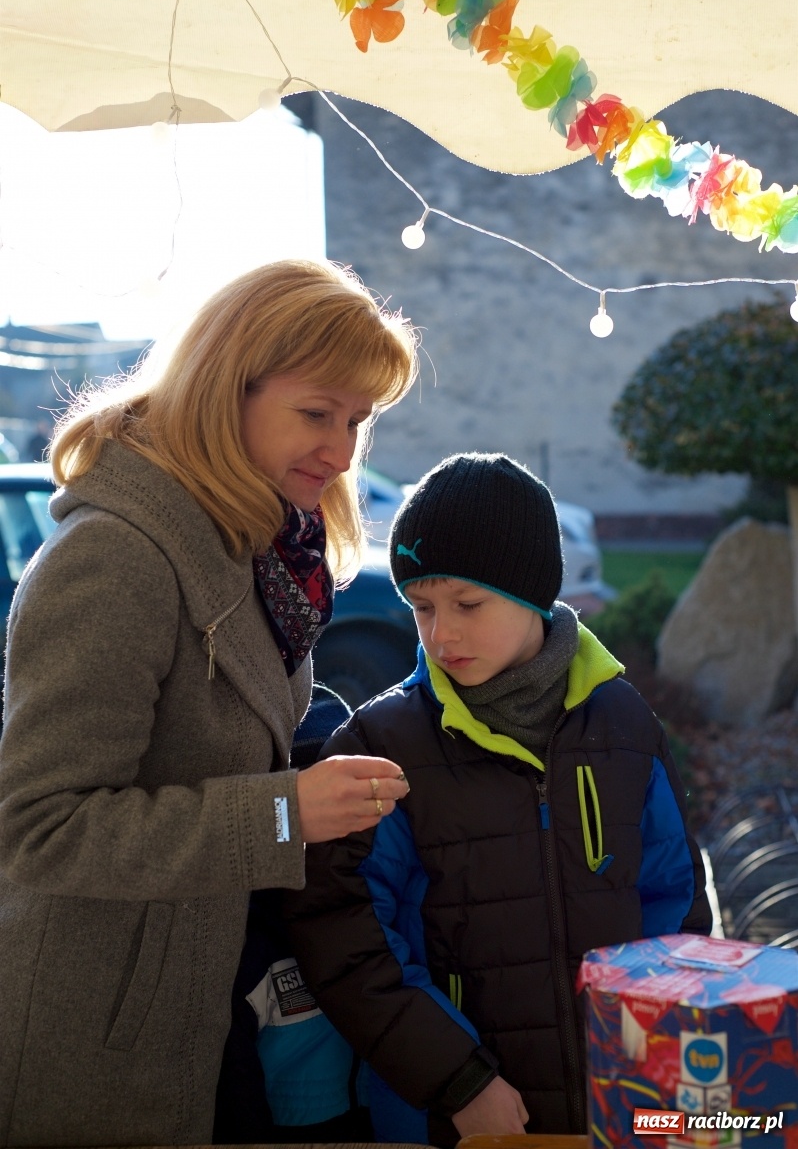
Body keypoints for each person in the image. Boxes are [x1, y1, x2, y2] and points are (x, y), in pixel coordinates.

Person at [0, 259, 415, 1147]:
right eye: (317, 413)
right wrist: (283, 813)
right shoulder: (113, 559)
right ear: (227, 386)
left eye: (358, 421)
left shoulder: (258, 544)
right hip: (117, 1034)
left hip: (225, 995)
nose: (343, 451)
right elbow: (38, 830)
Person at [284, 452, 712, 1146]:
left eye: (468, 604)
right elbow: (346, 939)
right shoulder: (382, 746)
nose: (441, 633)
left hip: (622, 1101)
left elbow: (674, 902)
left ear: (534, 591)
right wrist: (457, 1081)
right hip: (457, 1117)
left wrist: (672, 1057)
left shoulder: (626, 724)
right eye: (420, 607)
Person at [214, 683, 374, 1145]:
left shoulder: (371, 897)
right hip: (287, 1124)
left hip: (375, 1114)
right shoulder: (247, 939)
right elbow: (236, 1096)